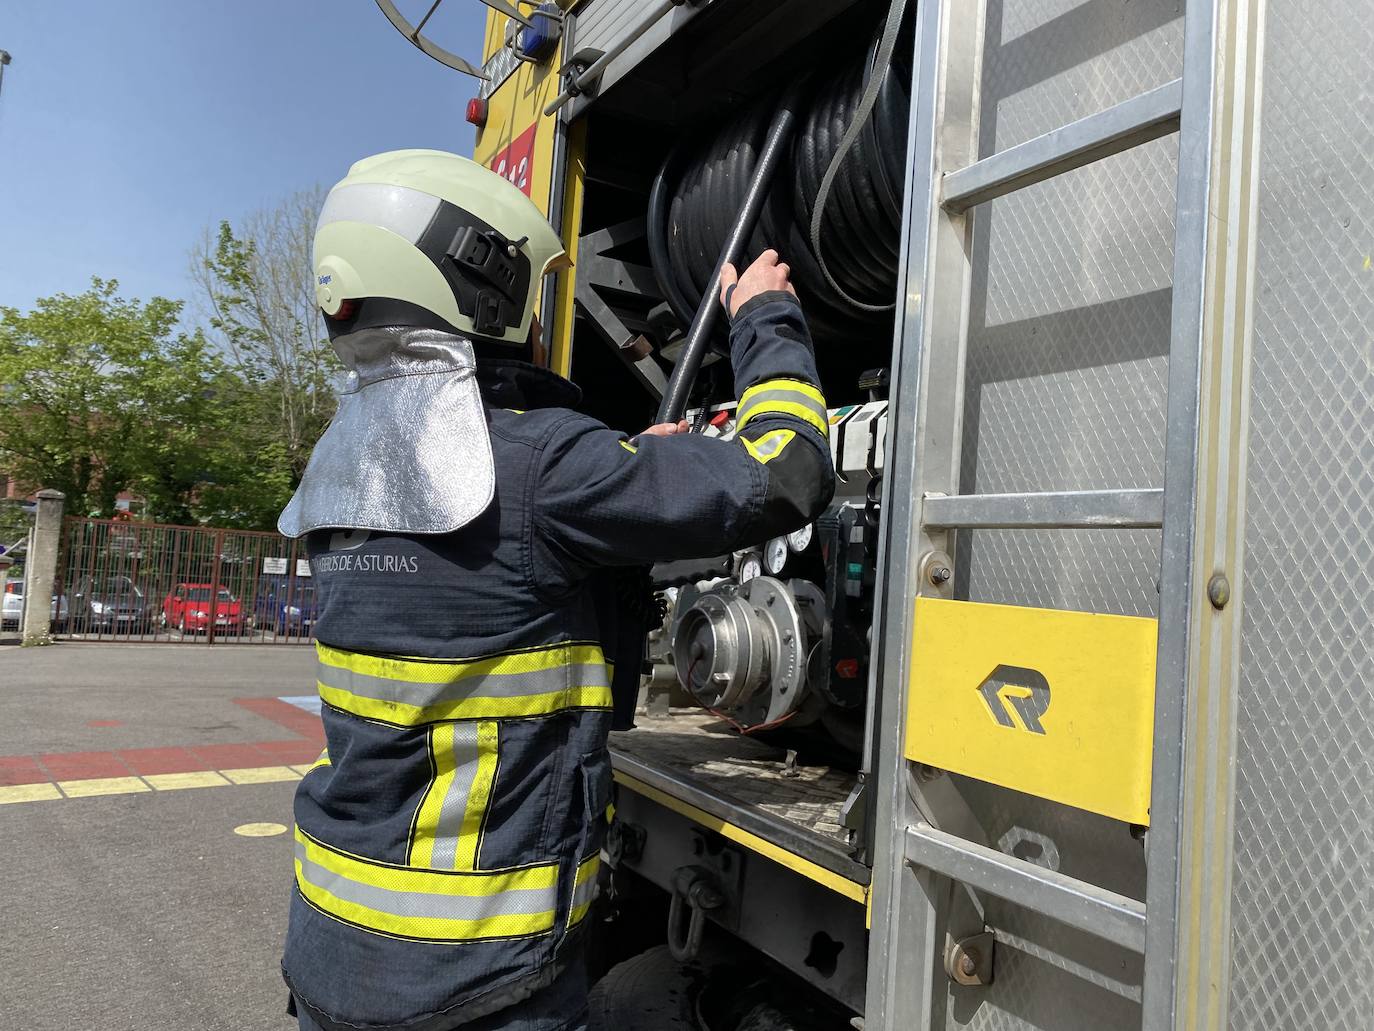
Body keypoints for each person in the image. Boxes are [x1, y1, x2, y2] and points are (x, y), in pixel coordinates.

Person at [277, 149, 835, 1031]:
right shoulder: (545, 464)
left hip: (334, 951)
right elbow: (788, 470)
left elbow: (497, 595)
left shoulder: (343, 467)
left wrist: (624, 496)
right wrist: (765, 319)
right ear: (483, 281)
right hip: (480, 987)